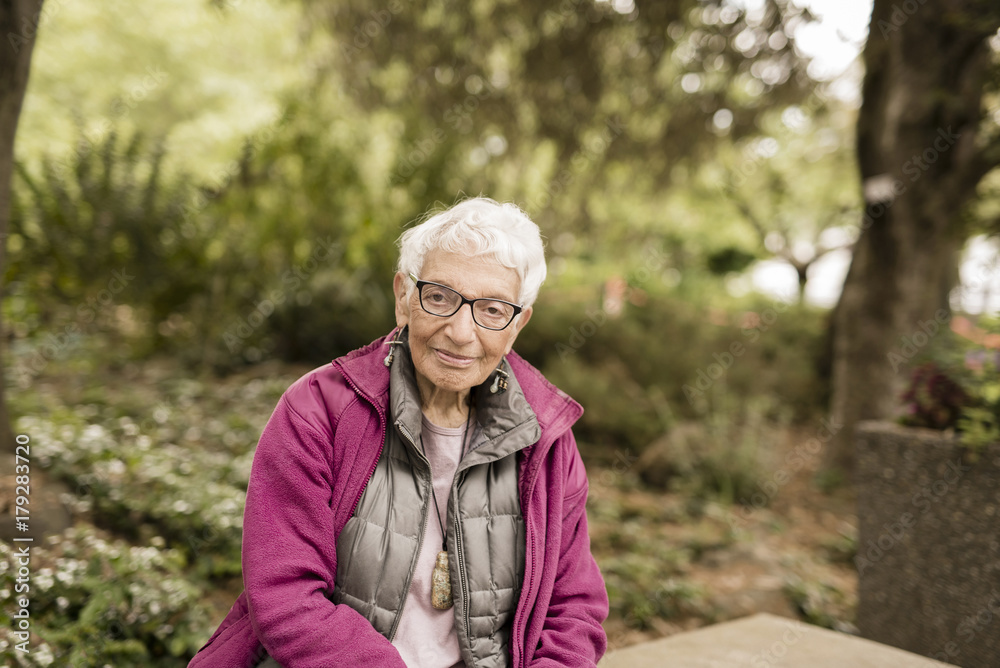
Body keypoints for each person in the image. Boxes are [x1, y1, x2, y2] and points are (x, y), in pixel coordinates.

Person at [187, 197, 609, 668]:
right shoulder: (318, 411)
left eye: (492, 309)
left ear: (516, 324)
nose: (461, 332)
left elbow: (573, 610)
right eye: (441, 297)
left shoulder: (546, 438)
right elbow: (286, 596)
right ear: (404, 297)